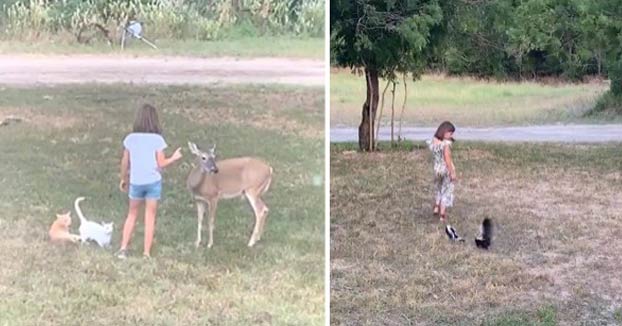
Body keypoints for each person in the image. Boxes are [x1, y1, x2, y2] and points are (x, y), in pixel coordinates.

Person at [116, 104, 182, 259]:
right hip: (153, 182)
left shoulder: (130, 139)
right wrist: (174, 157)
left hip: (136, 182)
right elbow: (161, 163)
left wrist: (123, 178)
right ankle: (146, 253)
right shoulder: (157, 140)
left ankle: (123, 249)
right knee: (150, 216)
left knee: (132, 214)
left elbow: (125, 162)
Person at [426, 121, 457, 223]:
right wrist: (452, 172)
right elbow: (447, 159)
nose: (451, 135)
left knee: (438, 187)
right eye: (450, 133)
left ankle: (436, 206)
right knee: (446, 190)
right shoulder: (445, 145)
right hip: (445, 170)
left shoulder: (434, 141)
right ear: (445, 132)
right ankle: (442, 215)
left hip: (437, 169)